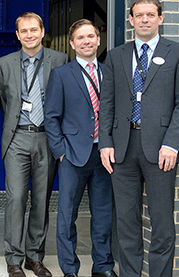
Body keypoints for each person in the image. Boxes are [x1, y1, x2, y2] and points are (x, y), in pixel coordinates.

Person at [98, 0, 179, 277]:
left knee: (162, 223)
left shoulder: (178, 52)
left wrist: (172, 143)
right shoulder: (116, 55)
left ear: (160, 18)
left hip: (161, 150)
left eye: (150, 15)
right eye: (139, 15)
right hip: (123, 148)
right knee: (127, 223)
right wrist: (105, 143)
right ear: (130, 20)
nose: (144, 20)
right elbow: (108, 104)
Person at [0, 12, 68, 277]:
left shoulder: (59, 60)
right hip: (17, 137)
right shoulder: (4, 63)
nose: (29, 35)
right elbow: (4, 101)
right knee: (15, 198)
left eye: (33, 30)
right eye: (23, 31)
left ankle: (34, 257)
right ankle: (13, 259)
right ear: (17, 35)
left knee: (41, 199)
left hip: (47, 137)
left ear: (42, 31)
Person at [44, 19, 116, 277]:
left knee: (103, 215)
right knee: (66, 216)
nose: (86, 41)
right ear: (72, 44)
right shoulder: (62, 74)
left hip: (105, 154)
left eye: (91, 36)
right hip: (73, 154)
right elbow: (51, 116)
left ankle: (103, 267)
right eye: (81, 38)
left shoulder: (110, 72)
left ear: (98, 40)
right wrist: (60, 151)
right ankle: (70, 269)